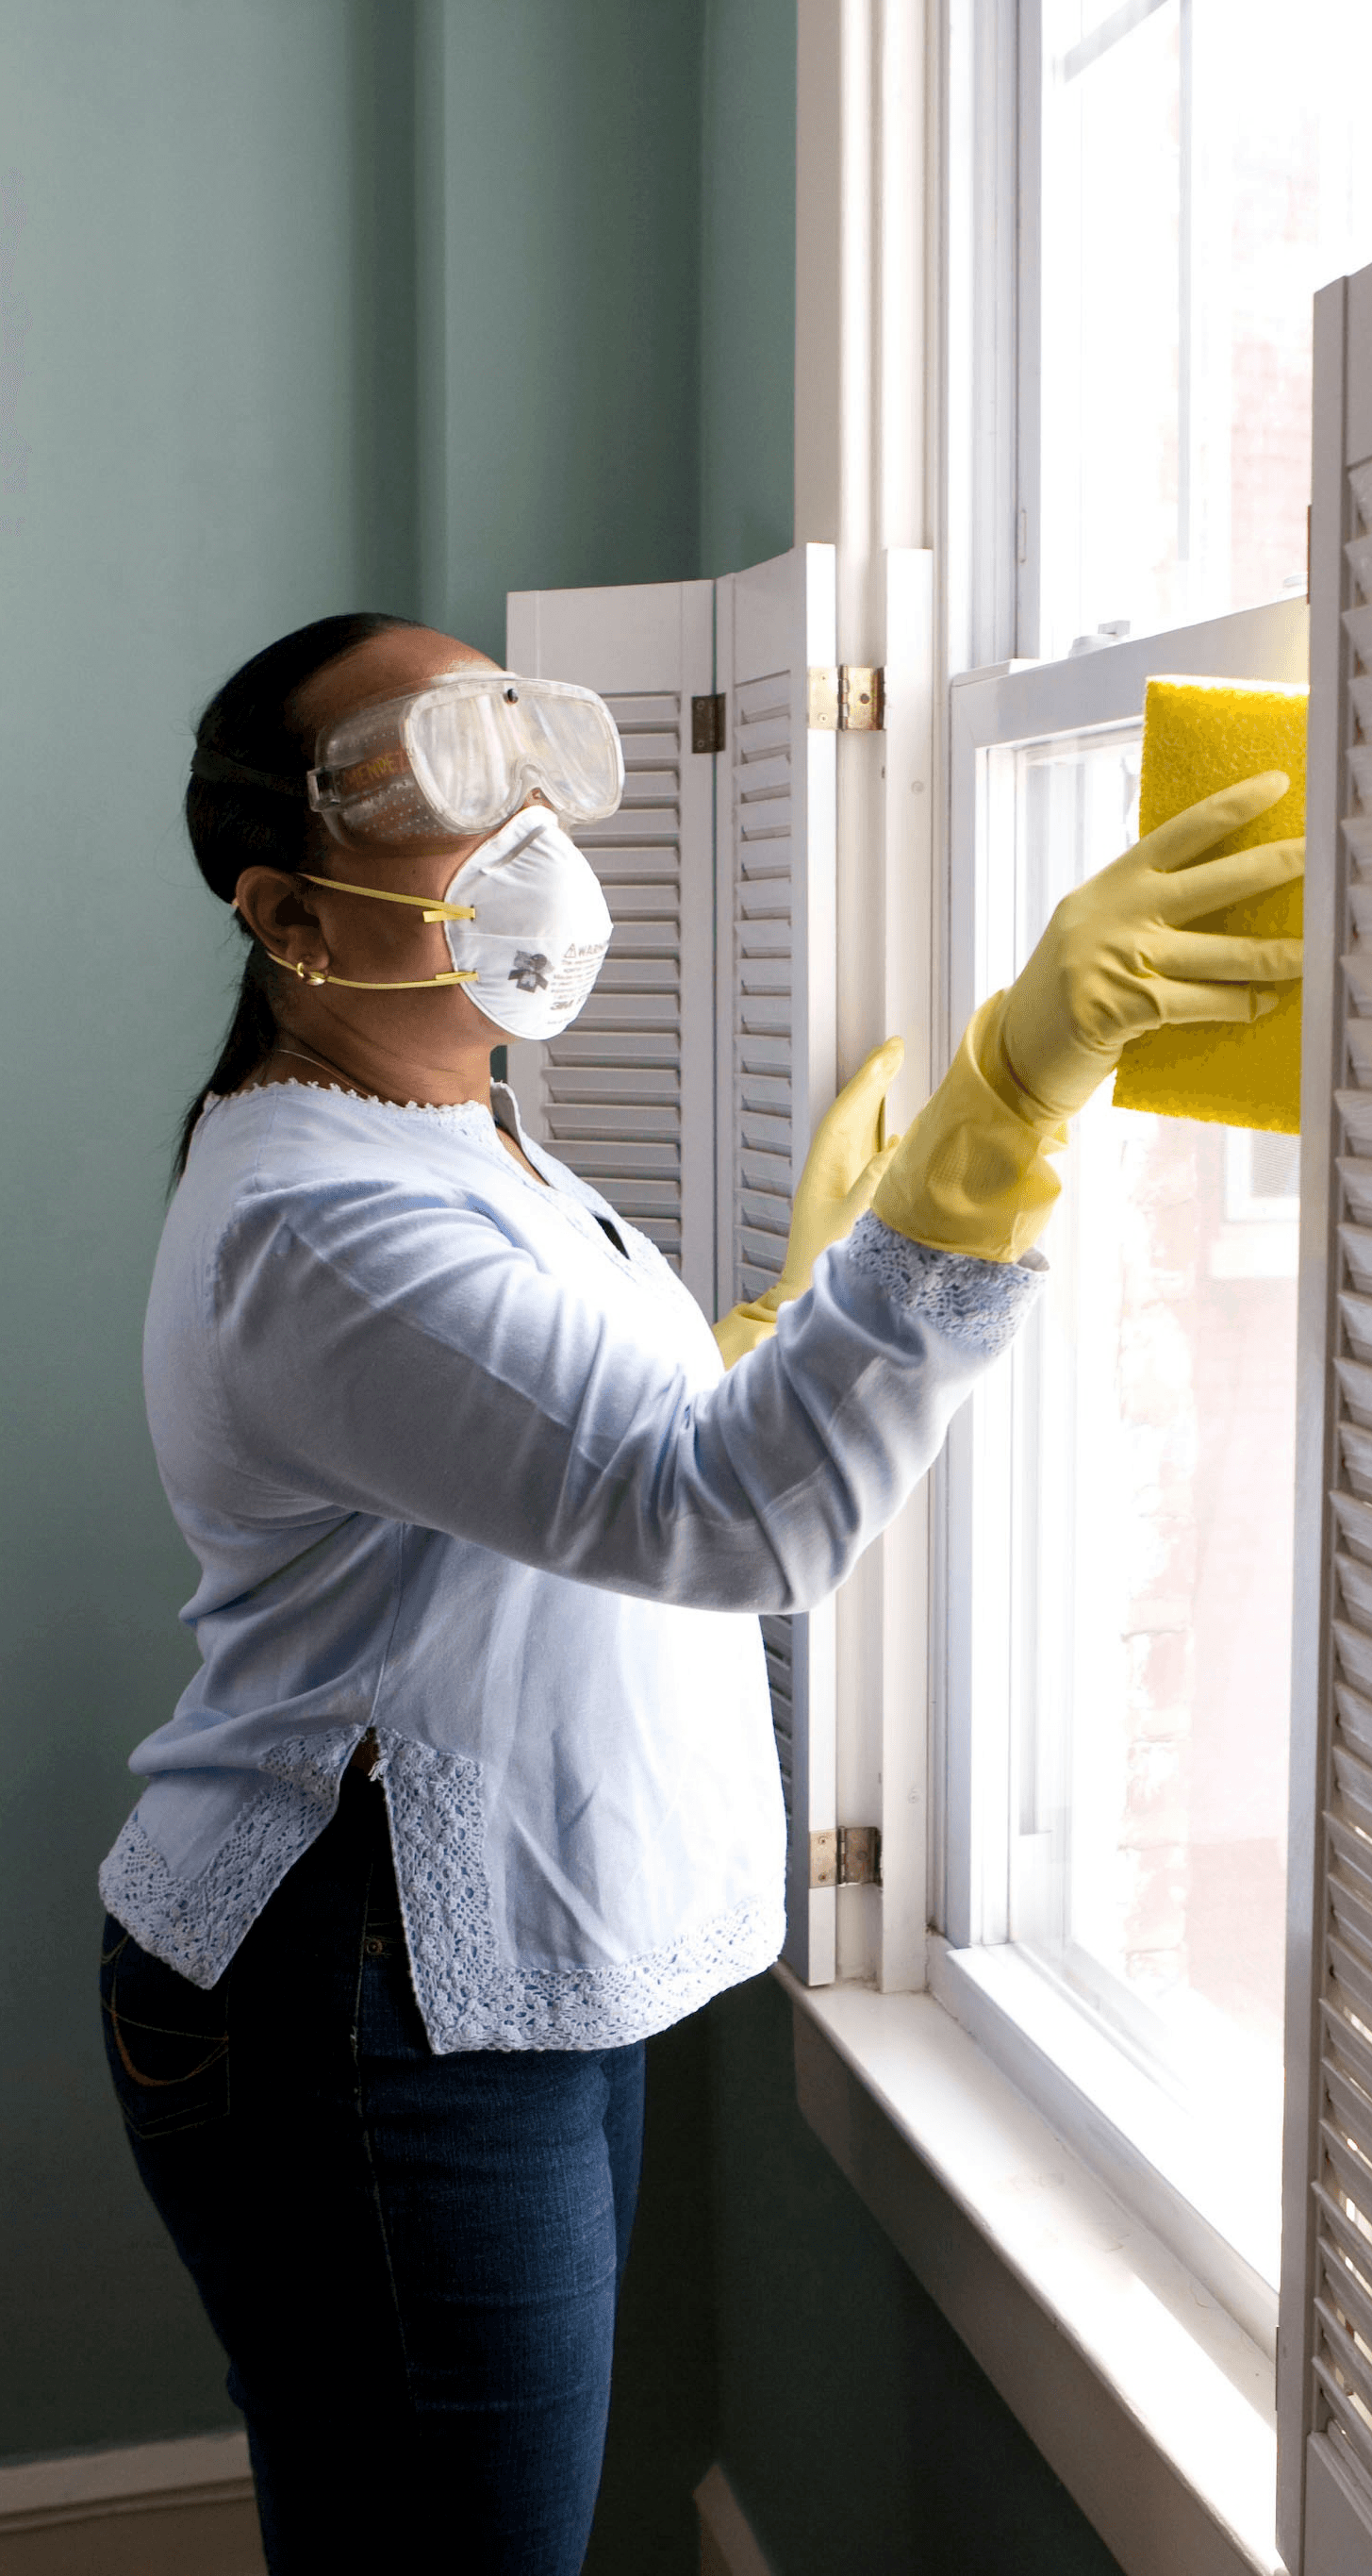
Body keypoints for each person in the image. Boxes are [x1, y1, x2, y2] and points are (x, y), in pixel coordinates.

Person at [97, 610, 1303, 2573]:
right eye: (439, 772)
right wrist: (1001, 1110)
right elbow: (730, 1524)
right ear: (287, 913)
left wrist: (768, 1319)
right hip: (358, 1987)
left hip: (471, 1970)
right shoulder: (317, 1214)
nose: (529, 821)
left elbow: (557, 1455)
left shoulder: (456, 1134)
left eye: (525, 740)